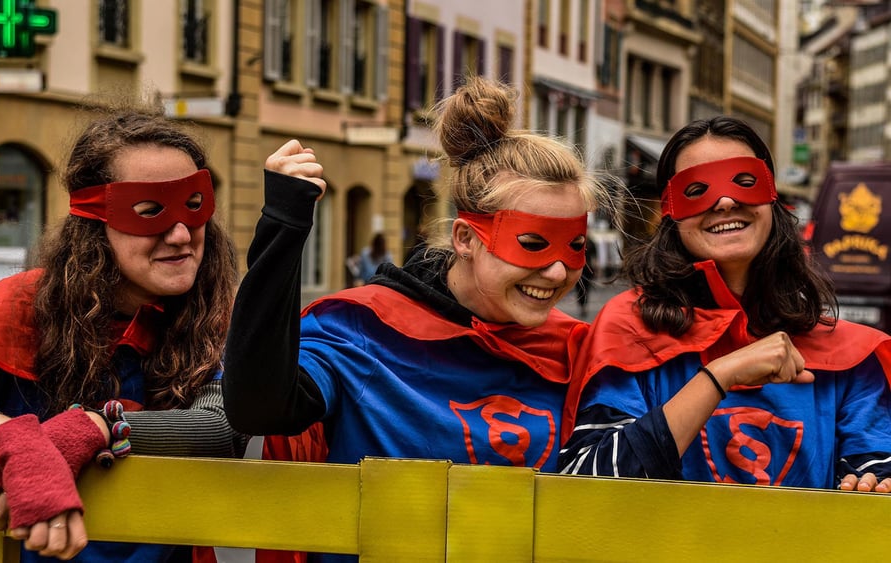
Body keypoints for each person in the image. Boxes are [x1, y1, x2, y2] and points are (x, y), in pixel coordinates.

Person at [223, 76, 605, 562]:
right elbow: (258, 407)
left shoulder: (578, 349)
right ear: (466, 239)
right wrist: (284, 225)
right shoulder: (363, 330)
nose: (557, 270)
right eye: (531, 244)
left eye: (575, 246)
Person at [0, 108, 249, 561]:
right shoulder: (28, 304)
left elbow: (222, 426)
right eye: (148, 211)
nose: (180, 234)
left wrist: (96, 426)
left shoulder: (216, 315)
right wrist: (14, 442)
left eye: (193, 206)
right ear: (95, 223)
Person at [559, 116, 891, 493]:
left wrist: (870, 483)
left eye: (744, 182)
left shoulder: (848, 355)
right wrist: (720, 376)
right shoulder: (630, 330)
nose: (726, 200)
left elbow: (874, 468)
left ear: (771, 198)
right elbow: (586, 481)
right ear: (670, 211)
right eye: (697, 189)